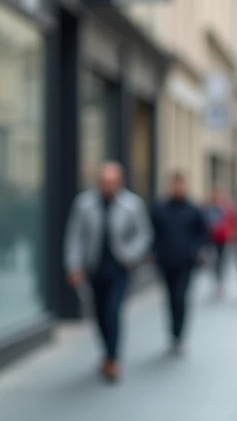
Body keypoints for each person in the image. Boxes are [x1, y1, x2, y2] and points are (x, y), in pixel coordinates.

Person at [64, 161, 153, 382]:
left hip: (119, 268)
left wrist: (132, 256)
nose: (108, 186)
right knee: (99, 314)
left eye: (112, 182)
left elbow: (144, 235)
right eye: (104, 182)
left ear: (119, 182)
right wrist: (73, 266)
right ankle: (106, 352)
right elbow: (75, 236)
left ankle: (113, 359)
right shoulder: (84, 204)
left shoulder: (132, 205)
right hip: (93, 267)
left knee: (113, 311)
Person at [150, 172, 209, 354]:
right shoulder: (160, 209)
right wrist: (155, 252)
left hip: (185, 262)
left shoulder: (192, 209)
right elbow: (152, 232)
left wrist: (195, 250)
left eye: (179, 185)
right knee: (170, 298)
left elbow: (202, 233)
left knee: (180, 297)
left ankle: (179, 334)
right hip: (166, 262)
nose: (176, 188)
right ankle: (173, 333)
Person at [203, 185, 237, 298]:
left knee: (222, 261)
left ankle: (220, 282)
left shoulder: (225, 207)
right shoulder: (208, 207)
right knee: (213, 261)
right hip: (211, 238)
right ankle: (217, 281)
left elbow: (231, 221)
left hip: (222, 238)